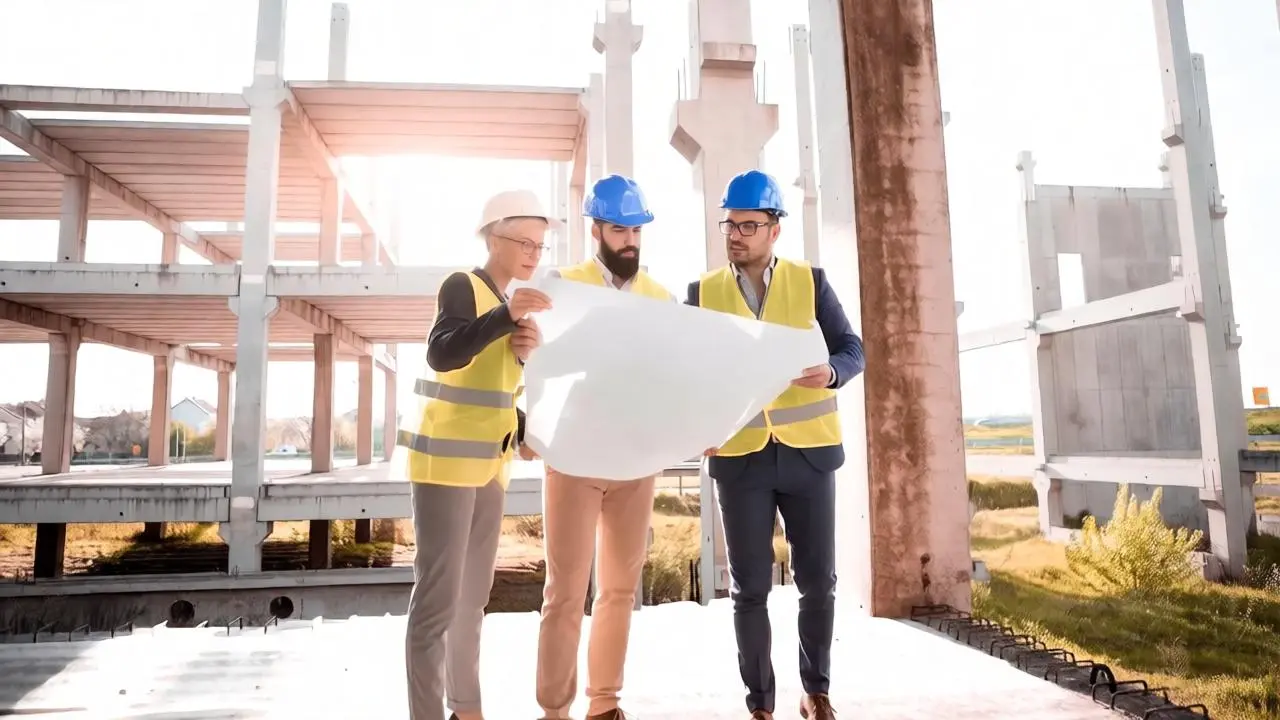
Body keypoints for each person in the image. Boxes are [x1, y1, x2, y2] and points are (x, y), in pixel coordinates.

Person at [685, 170, 865, 720]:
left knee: (817, 583)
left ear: (774, 229)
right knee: (750, 590)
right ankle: (760, 704)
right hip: (740, 460)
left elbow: (852, 348)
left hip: (809, 454)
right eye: (730, 224)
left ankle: (816, 691)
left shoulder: (811, 283)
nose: (735, 234)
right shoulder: (702, 293)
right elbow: (687, 373)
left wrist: (831, 373)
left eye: (748, 224)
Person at [402, 189, 558, 720]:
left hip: (491, 470)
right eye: (524, 241)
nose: (534, 254)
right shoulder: (463, 286)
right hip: (445, 467)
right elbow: (442, 352)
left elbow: (492, 394)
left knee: (472, 603)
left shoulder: (511, 305)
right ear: (494, 236)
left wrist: (522, 425)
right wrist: (504, 319)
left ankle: (467, 711)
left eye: (540, 245)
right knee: (437, 606)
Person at [535, 174, 673, 720]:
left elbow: (673, 377)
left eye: (637, 230)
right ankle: (554, 710)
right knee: (565, 591)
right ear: (597, 230)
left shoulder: (660, 298)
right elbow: (537, 365)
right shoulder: (560, 286)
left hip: (634, 462)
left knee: (618, 591)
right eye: (620, 229)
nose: (630, 240)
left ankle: (604, 704)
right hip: (573, 459)